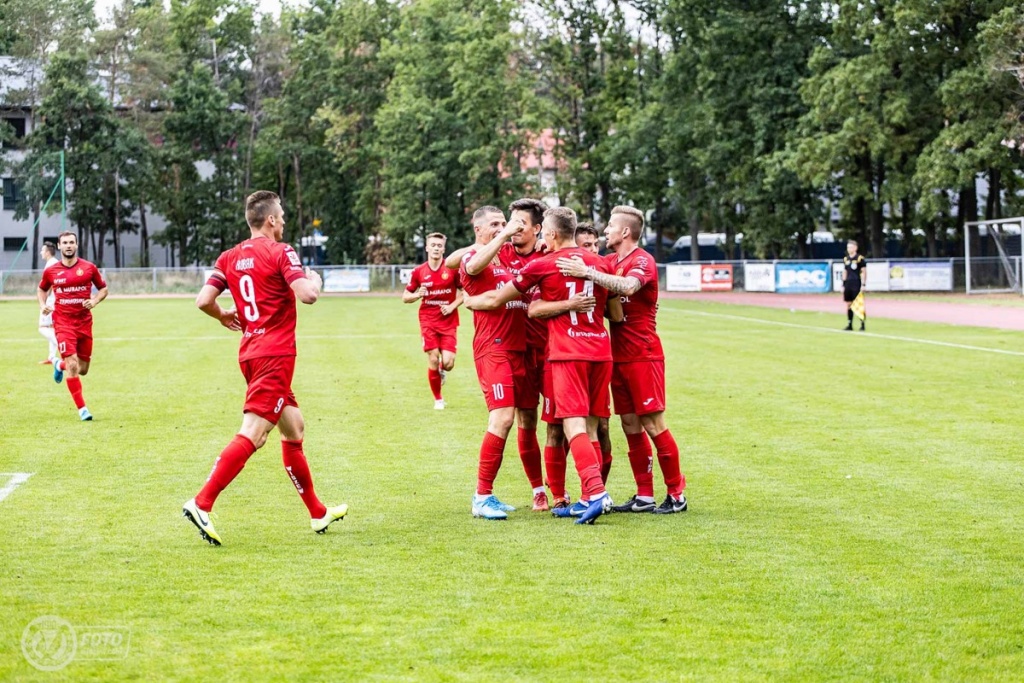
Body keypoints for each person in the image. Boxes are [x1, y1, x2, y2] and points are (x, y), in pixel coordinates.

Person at [182, 190, 347, 546]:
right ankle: (201, 502)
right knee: (255, 433)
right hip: (275, 354)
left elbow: (203, 301)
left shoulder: (229, 256)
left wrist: (223, 314)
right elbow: (308, 294)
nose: (284, 220)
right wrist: (316, 279)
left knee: (294, 429)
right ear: (270, 219)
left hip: (251, 352)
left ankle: (318, 513)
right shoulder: (280, 251)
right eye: (282, 215)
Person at [465, 207, 621, 525]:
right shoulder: (600, 263)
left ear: (546, 232)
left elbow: (515, 304)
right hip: (599, 350)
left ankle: (593, 493)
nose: (506, 228)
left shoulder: (541, 265)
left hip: (563, 353)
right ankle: (583, 493)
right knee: (588, 426)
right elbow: (617, 314)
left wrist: (471, 302)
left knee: (571, 425)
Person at [556, 205, 688, 515]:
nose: (606, 231)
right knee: (629, 424)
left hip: (643, 354)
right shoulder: (611, 261)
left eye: (611, 226)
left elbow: (628, 286)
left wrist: (588, 272)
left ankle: (676, 493)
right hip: (615, 355)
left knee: (654, 424)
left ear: (625, 232)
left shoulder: (643, 260)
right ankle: (644, 495)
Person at [461, 198, 551, 511]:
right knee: (502, 417)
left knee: (524, 419)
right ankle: (481, 496)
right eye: (496, 225)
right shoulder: (475, 255)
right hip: (493, 347)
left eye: (505, 223)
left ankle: (532, 490)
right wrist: (504, 235)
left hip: (520, 348)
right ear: (479, 229)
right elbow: (471, 267)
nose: (504, 229)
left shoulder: (506, 257)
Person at [37, 232, 108, 421]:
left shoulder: (89, 268)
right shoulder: (51, 271)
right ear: (59, 246)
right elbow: (42, 289)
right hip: (62, 322)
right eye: (65, 243)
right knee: (73, 364)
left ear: (76, 245)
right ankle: (83, 409)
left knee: (82, 369)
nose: (68, 245)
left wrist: (94, 301)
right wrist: (43, 305)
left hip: (84, 322)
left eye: (72, 242)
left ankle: (58, 365)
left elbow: (103, 289)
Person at [403, 232, 463, 410]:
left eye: (439, 245)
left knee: (449, 362)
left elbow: (465, 293)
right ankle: (438, 399)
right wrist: (416, 295)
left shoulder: (452, 269)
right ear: (427, 248)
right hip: (428, 320)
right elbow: (405, 297)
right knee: (433, 358)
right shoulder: (418, 272)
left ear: (443, 249)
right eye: (433, 245)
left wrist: (452, 306)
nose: (436, 248)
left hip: (449, 321)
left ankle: (442, 371)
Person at [573, 222, 613, 481]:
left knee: (602, 427)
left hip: (599, 350)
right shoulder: (559, 268)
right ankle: (560, 493)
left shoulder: (603, 268)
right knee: (569, 427)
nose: (593, 249)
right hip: (567, 354)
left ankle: (600, 490)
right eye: (586, 245)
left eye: (595, 244)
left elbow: (616, 314)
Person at [37, 242, 60, 364]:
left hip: (51, 302)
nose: (41, 252)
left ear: (47, 252)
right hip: (54, 301)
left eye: (42, 250)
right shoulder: (54, 263)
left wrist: (44, 301)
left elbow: (51, 283)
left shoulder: (51, 264)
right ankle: (51, 357)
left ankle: (65, 348)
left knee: (42, 328)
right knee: (51, 329)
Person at [842, 239, 866, 331]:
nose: (849, 249)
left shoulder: (860, 258)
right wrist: (843, 284)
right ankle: (849, 324)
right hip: (848, 283)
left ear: (855, 248)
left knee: (858, 303)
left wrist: (863, 284)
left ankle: (862, 324)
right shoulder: (846, 259)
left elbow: (864, 271)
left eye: (851, 247)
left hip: (856, 283)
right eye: (848, 247)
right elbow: (845, 271)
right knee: (849, 304)